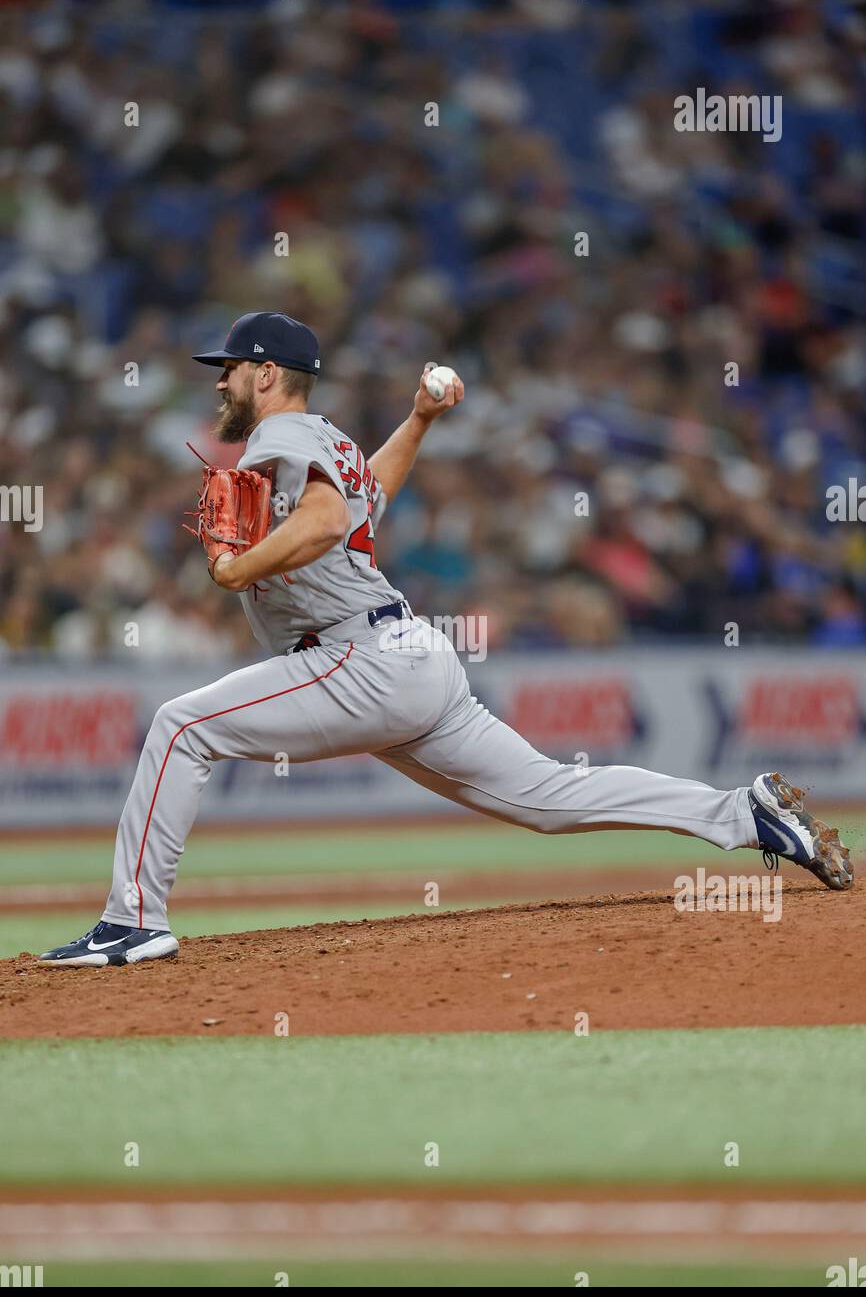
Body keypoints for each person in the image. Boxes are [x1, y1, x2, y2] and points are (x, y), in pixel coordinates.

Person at [38, 312, 854, 967]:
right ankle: (744, 814)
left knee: (181, 725)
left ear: (266, 374)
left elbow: (324, 523)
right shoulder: (333, 443)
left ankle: (133, 923)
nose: (221, 381)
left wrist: (235, 569)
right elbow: (369, 499)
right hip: (412, 661)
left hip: (358, 661)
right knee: (548, 799)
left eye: (230, 367)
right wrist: (420, 419)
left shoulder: (277, 440)